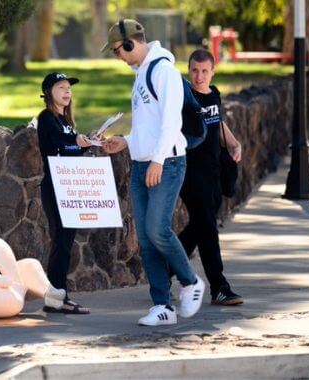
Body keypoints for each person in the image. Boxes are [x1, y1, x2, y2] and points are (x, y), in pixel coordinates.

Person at [101, 19, 204, 326]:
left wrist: (158, 161)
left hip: (167, 163)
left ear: (131, 43)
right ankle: (163, 306)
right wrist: (127, 141)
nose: (118, 57)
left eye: (118, 50)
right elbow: (148, 126)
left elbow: (171, 123)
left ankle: (190, 281)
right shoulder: (142, 74)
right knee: (146, 239)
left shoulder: (164, 72)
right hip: (143, 162)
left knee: (158, 230)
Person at [177, 49, 243, 306]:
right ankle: (219, 286)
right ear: (188, 69)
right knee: (207, 228)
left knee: (199, 226)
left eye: (204, 71)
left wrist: (234, 143)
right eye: (194, 70)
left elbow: (217, 123)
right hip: (189, 172)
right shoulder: (184, 97)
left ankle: (167, 269)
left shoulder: (213, 94)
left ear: (212, 71)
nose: (199, 76)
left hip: (214, 170)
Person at [37, 72, 93, 314]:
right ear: (49, 92)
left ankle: (57, 297)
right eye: (61, 87)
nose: (67, 92)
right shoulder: (47, 118)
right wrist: (77, 143)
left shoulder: (66, 122)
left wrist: (88, 143)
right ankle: (58, 297)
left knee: (66, 242)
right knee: (61, 241)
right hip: (55, 187)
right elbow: (57, 147)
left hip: (69, 186)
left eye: (69, 88)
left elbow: (72, 150)